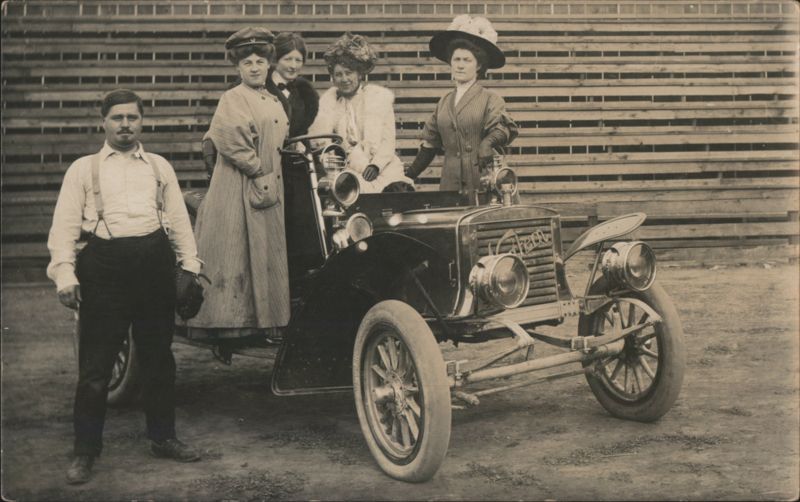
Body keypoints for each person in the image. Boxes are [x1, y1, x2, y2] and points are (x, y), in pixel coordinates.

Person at [46, 89, 203, 485]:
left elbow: (179, 221)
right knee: (96, 368)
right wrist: (65, 274)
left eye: (132, 118)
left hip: (153, 264)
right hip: (104, 268)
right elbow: (64, 226)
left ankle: (163, 437)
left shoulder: (158, 166)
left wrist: (190, 266)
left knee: (158, 358)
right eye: (117, 118)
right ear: (103, 122)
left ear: (141, 121)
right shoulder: (84, 170)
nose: (125, 125)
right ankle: (85, 451)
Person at [186, 27, 291, 338]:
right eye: (247, 63)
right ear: (237, 67)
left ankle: (266, 321)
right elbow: (230, 140)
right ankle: (234, 325)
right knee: (238, 252)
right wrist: (259, 170)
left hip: (267, 185)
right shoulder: (233, 98)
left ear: (270, 64)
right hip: (239, 186)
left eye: (260, 61)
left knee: (264, 251)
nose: (255, 67)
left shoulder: (271, 98)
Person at [405, 15, 518, 198]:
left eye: (467, 60)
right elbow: (429, 145)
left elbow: (504, 128)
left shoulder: (491, 98)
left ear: (479, 65)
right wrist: (408, 176)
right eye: (456, 60)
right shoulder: (443, 103)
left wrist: (487, 143)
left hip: (484, 178)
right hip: (451, 183)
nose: (460, 66)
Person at [308, 32, 413, 193]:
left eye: (348, 73)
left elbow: (388, 141)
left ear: (359, 73)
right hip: (351, 171)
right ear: (333, 78)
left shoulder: (378, 100)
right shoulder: (329, 107)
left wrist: (376, 165)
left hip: (383, 168)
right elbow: (325, 147)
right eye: (338, 74)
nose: (344, 79)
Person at [265, 32, 319, 138]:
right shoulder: (261, 87)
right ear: (276, 59)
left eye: (298, 60)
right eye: (288, 59)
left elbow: (303, 133)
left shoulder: (306, 94)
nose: (293, 66)